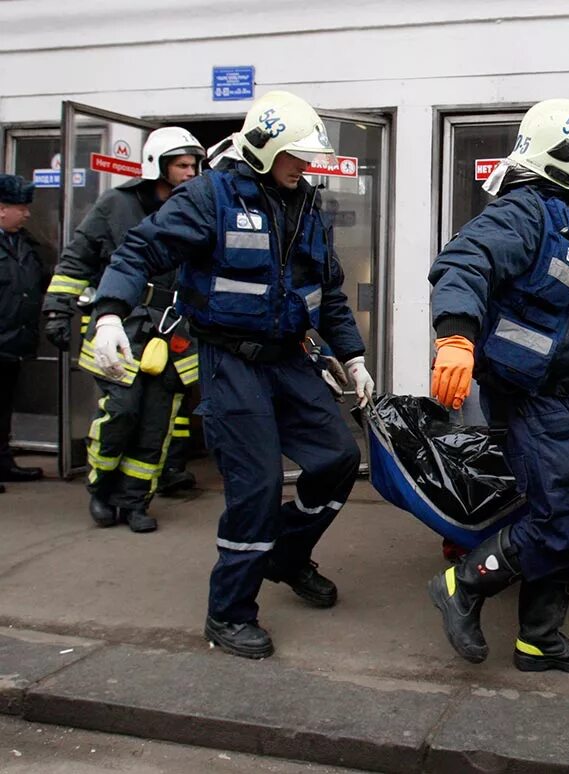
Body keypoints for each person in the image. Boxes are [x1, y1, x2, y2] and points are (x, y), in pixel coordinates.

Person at [91, 91, 374, 659]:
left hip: (291, 359)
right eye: (296, 155)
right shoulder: (209, 197)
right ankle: (229, 613)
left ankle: (285, 556)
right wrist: (109, 315)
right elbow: (139, 251)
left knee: (339, 459)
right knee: (257, 486)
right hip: (231, 361)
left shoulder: (306, 206)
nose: (307, 165)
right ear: (265, 149)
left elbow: (330, 293)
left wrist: (354, 355)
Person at [427, 98, 569, 673]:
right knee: (561, 517)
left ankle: (540, 639)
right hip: (529, 400)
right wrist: (457, 337)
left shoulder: (558, 219)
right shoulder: (524, 213)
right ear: (563, 160)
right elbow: (463, 263)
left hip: (551, 397)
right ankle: (462, 585)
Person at [43, 127, 206, 531]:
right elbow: (77, 259)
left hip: (173, 333)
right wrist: (57, 311)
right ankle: (101, 491)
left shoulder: (198, 209)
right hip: (123, 327)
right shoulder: (115, 204)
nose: (190, 172)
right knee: (120, 414)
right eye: (181, 165)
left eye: (194, 165)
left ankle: (135, 501)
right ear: (158, 166)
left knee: (156, 425)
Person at [0, 174, 47, 493]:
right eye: (21, 207)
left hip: (13, 341)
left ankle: (3, 464)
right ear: (2, 209)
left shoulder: (25, 243)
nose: (27, 213)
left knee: (3, 407)